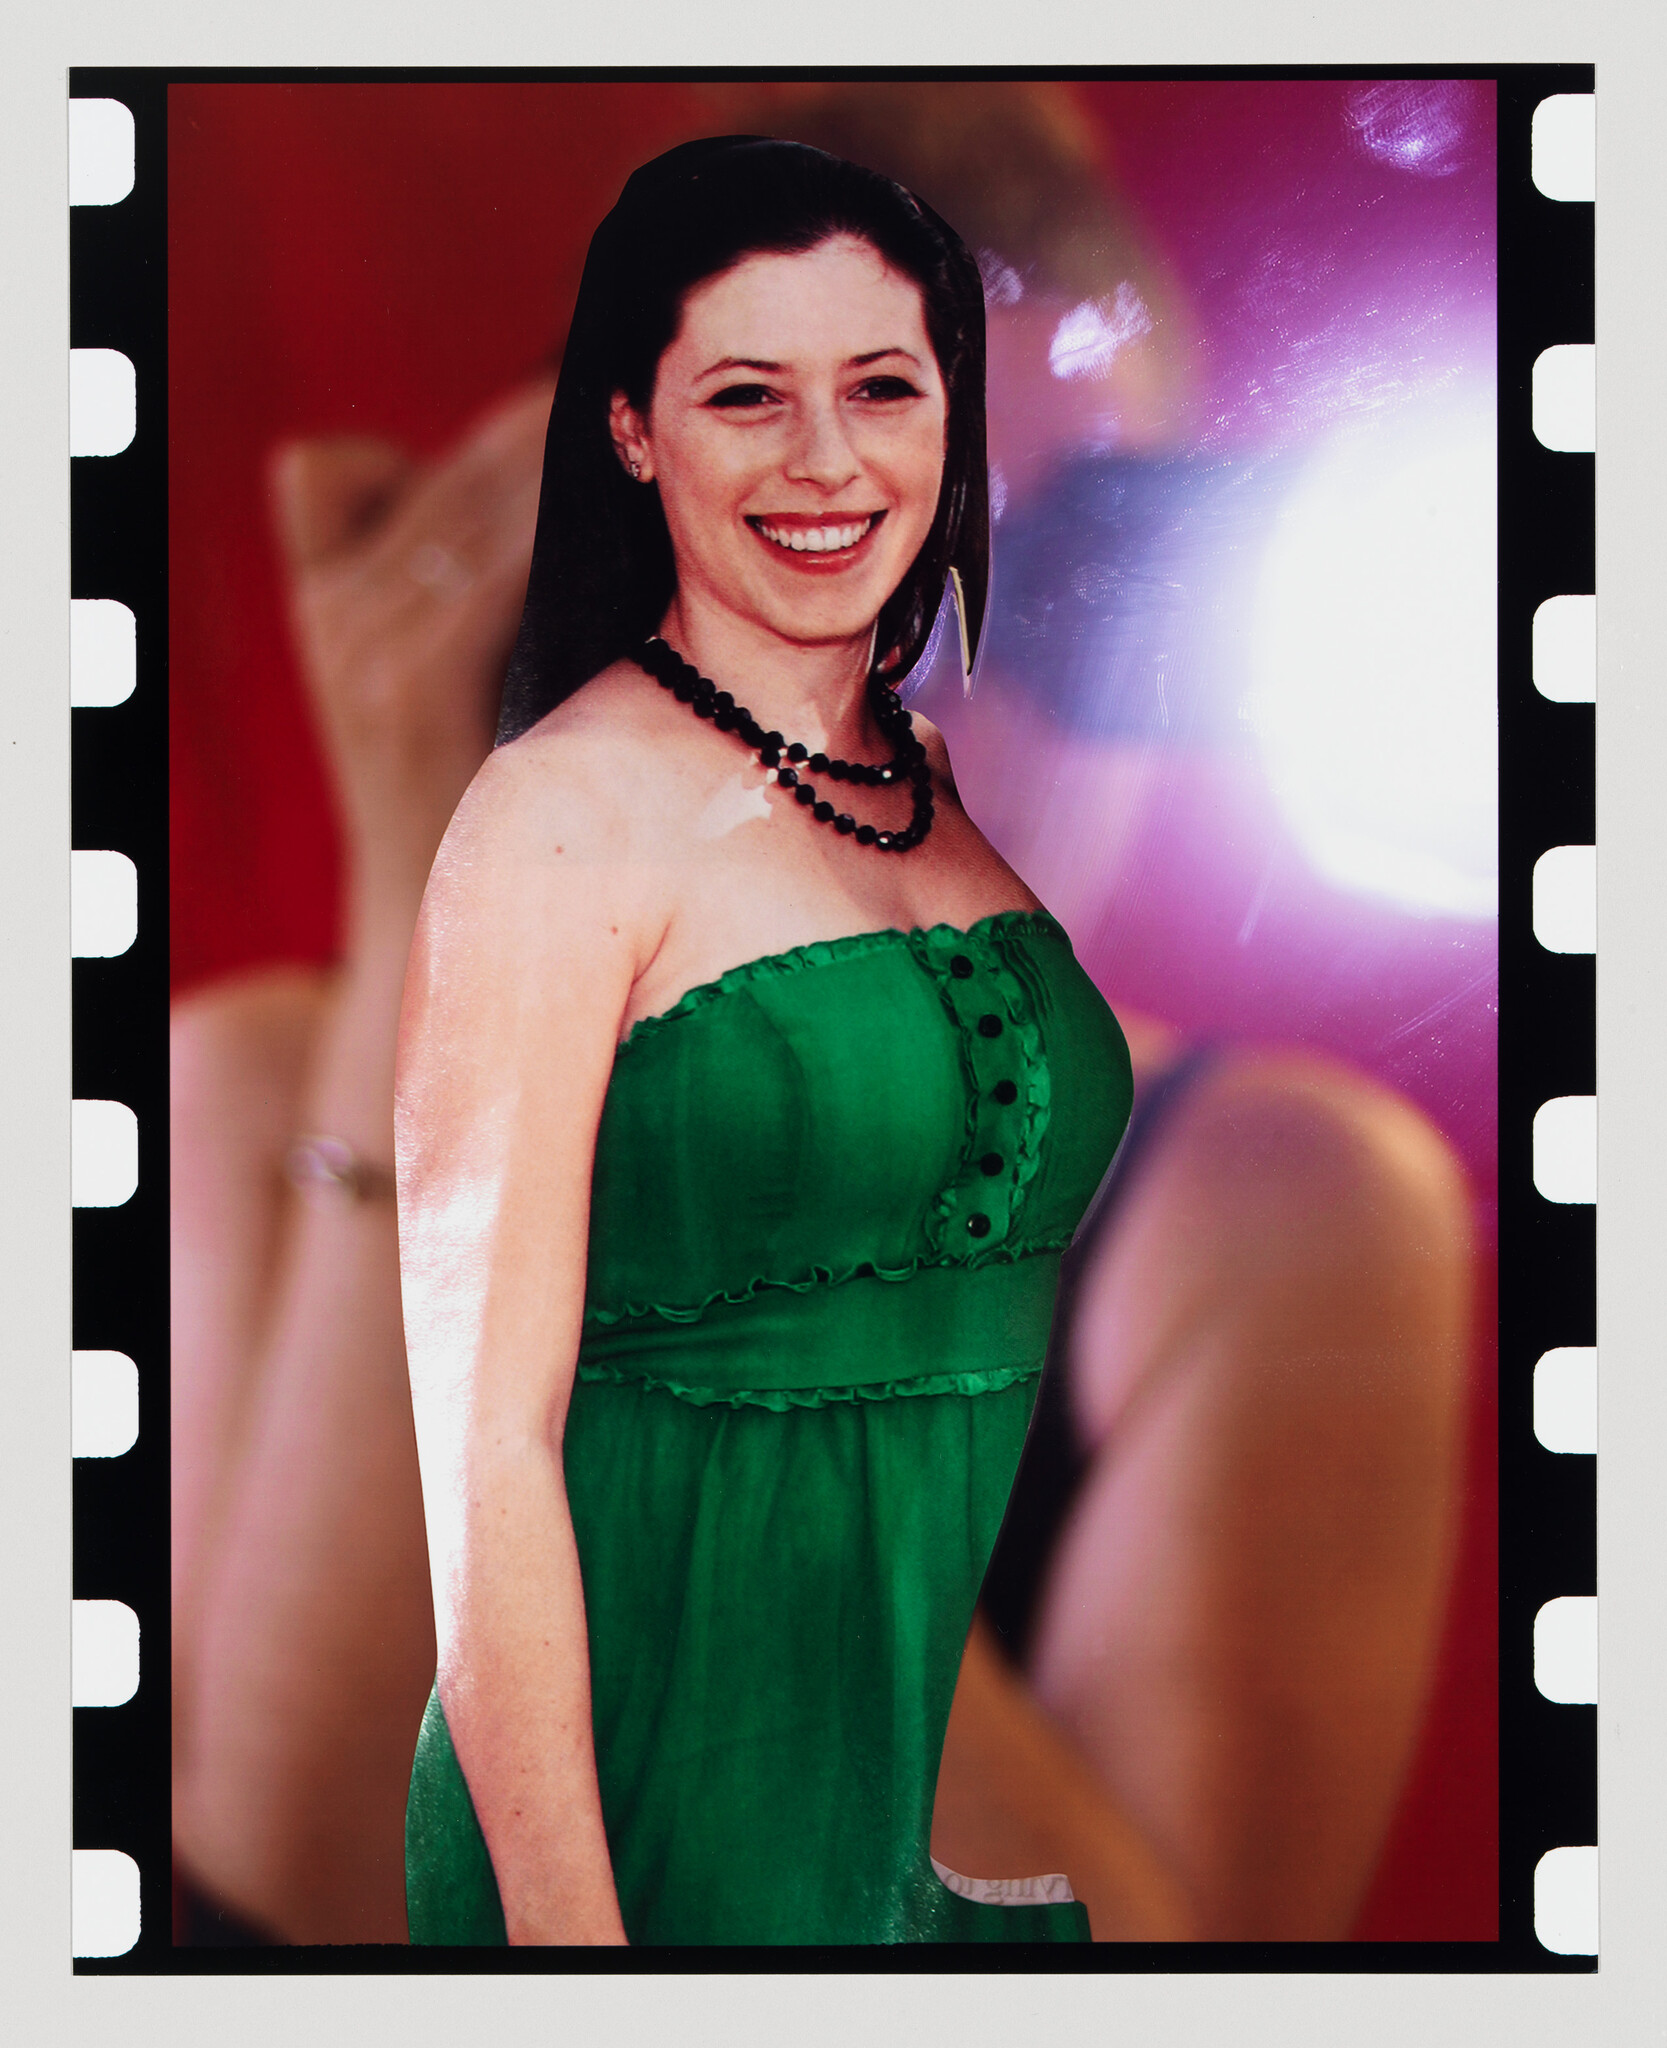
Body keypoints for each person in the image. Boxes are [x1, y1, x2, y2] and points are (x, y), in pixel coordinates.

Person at [394, 135, 1143, 1947]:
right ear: (632, 430)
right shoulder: (558, 815)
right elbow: (489, 1457)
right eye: (748, 396)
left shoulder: (925, 782)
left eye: (882, 389)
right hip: (641, 1829)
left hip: (908, 1830)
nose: (826, 461)